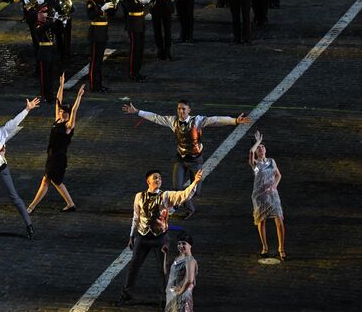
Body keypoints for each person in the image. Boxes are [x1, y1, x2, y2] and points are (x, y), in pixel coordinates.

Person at [122, 100, 251, 218]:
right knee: (177, 187)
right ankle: (189, 209)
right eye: (179, 109)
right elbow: (156, 118)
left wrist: (235, 121)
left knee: (196, 191)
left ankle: (179, 205)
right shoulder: (173, 121)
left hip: (196, 161)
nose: (181, 111)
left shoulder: (198, 121)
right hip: (181, 159)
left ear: (189, 110)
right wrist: (138, 112)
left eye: (184, 109)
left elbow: (216, 120)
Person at [118, 169, 202, 306]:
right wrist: (131, 236)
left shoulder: (165, 196)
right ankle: (125, 296)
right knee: (133, 266)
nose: (158, 180)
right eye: (155, 178)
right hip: (142, 237)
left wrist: (195, 183)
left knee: (163, 270)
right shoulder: (139, 196)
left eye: (160, 178)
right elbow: (136, 217)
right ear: (148, 181)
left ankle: (164, 299)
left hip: (160, 238)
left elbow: (183, 195)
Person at [0, 98, 40, 239]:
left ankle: (29, 226)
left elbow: (15, 122)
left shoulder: (2, 131)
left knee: (14, 198)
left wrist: (27, 109)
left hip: (1, 172)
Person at [27, 75, 85, 213]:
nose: (61, 113)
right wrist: (61, 85)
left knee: (46, 180)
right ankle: (70, 204)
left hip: (58, 158)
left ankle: (31, 207)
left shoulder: (68, 126)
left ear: (68, 114)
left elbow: (75, 110)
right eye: (61, 111)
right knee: (56, 182)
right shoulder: (57, 120)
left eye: (64, 112)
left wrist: (79, 97)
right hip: (51, 156)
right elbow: (58, 101)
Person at [248, 131, 286, 261]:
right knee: (261, 221)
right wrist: (257, 142)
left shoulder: (271, 161)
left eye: (262, 146)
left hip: (272, 195)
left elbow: (278, 175)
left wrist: (274, 186)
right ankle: (265, 247)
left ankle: (281, 248)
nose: (261, 149)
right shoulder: (255, 164)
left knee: (279, 219)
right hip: (260, 196)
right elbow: (251, 153)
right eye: (259, 147)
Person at [164, 232, 198, 312]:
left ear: (190, 245)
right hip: (175, 297)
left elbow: (189, 279)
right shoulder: (179, 258)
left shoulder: (189, 260)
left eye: (184, 243)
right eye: (179, 243)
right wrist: (165, 255)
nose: (181, 246)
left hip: (183, 299)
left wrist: (179, 292)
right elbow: (166, 272)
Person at [86, 0, 117, 92]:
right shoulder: (91, 2)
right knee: (94, 61)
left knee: (99, 61)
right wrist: (101, 9)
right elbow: (91, 15)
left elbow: (112, 14)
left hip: (103, 32)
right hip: (95, 33)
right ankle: (94, 86)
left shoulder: (103, 0)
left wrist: (114, 4)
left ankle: (99, 84)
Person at [121, 0, 148, 82]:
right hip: (133, 22)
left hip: (140, 21)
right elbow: (129, 6)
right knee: (134, 49)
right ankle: (133, 73)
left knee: (140, 48)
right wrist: (142, 3)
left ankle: (138, 71)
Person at [34, 4, 59, 103]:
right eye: (43, 12)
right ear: (38, 13)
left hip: (51, 51)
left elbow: (57, 31)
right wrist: (52, 21)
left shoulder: (48, 23)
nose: (46, 14)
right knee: (44, 76)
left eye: (46, 12)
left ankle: (51, 95)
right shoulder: (37, 24)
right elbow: (41, 30)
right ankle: (45, 95)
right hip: (44, 52)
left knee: (51, 75)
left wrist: (58, 22)